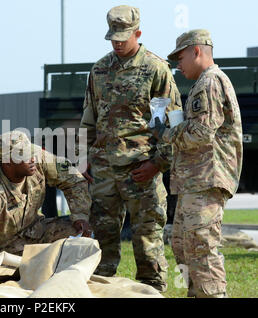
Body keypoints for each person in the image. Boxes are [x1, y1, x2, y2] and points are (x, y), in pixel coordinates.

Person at [79, 5, 182, 291]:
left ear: (138, 32)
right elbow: (89, 116)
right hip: (104, 171)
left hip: (141, 169)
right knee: (102, 239)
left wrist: (157, 164)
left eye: (124, 37)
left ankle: (151, 290)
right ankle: (102, 290)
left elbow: (172, 124)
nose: (118, 43)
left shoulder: (156, 69)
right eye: (113, 38)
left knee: (147, 236)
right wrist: (83, 158)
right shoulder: (99, 69)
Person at [152, 29, 243, 298]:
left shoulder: (210, 82)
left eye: (180, 57)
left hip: (206, 179)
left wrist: (165, 133)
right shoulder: (204, 82)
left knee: (200, 248)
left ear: (196, 51)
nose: (178, 65)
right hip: (195, 181)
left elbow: (202, 133)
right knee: (182, 244)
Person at [0, 130, 92, 282]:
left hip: (33, 233)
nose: (31, 158)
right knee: (1, 277)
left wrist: (80, 216)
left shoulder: (39, 160)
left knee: (81, 233)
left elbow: (73, 179)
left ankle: (70, 279)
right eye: (23, 155)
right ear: (7, 162)